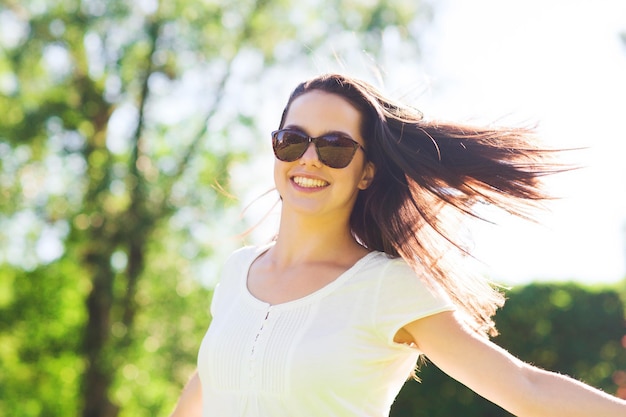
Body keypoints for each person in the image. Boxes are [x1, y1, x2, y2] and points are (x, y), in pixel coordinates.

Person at [170, 73, 626, 417]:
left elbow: (526, 390)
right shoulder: (237, 272)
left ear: (366, 172)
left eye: (335, 147)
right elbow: (205, 391)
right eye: (292, 141)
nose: (309, 158)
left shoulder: (386, 286)